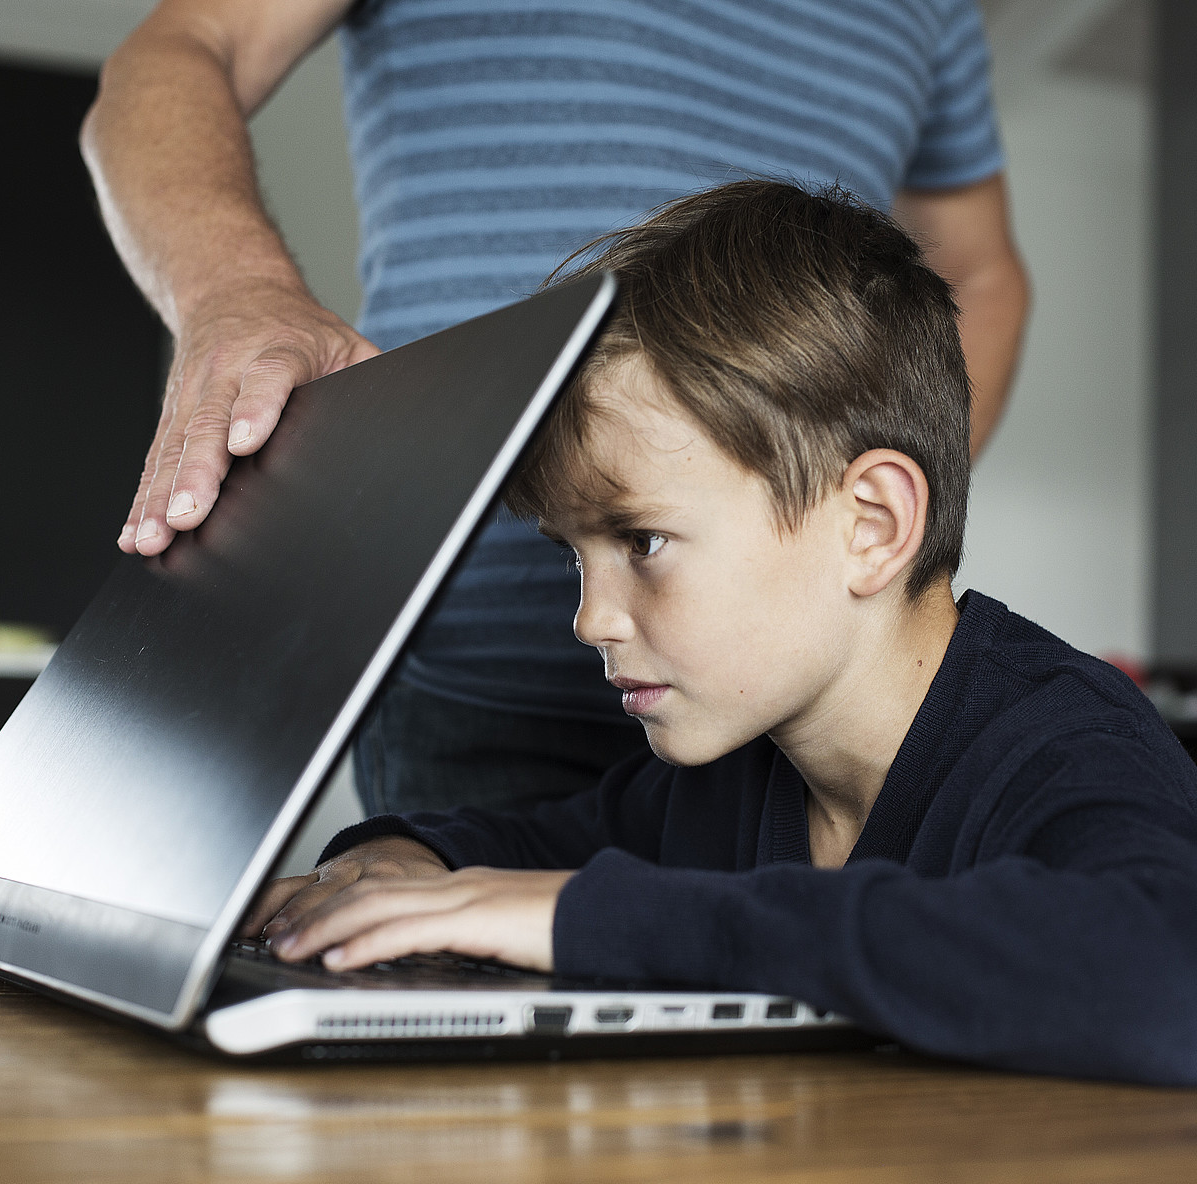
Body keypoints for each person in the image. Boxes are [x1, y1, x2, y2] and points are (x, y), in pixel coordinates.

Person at [242, 181, 1197, 1085]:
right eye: (578, 556)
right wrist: (416, 858)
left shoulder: (1063, 746)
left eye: (643, 541)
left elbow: (1162, 972)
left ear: (870, 526)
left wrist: (595, 916)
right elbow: (535, 844)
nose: (589, 618)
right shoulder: (724, 779)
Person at [81, 0, 1029, 816]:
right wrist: (238, 292)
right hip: (469, 690)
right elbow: (178, 49)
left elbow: (980, 271)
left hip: (788, 722)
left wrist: (850, 530)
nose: (593, 618)